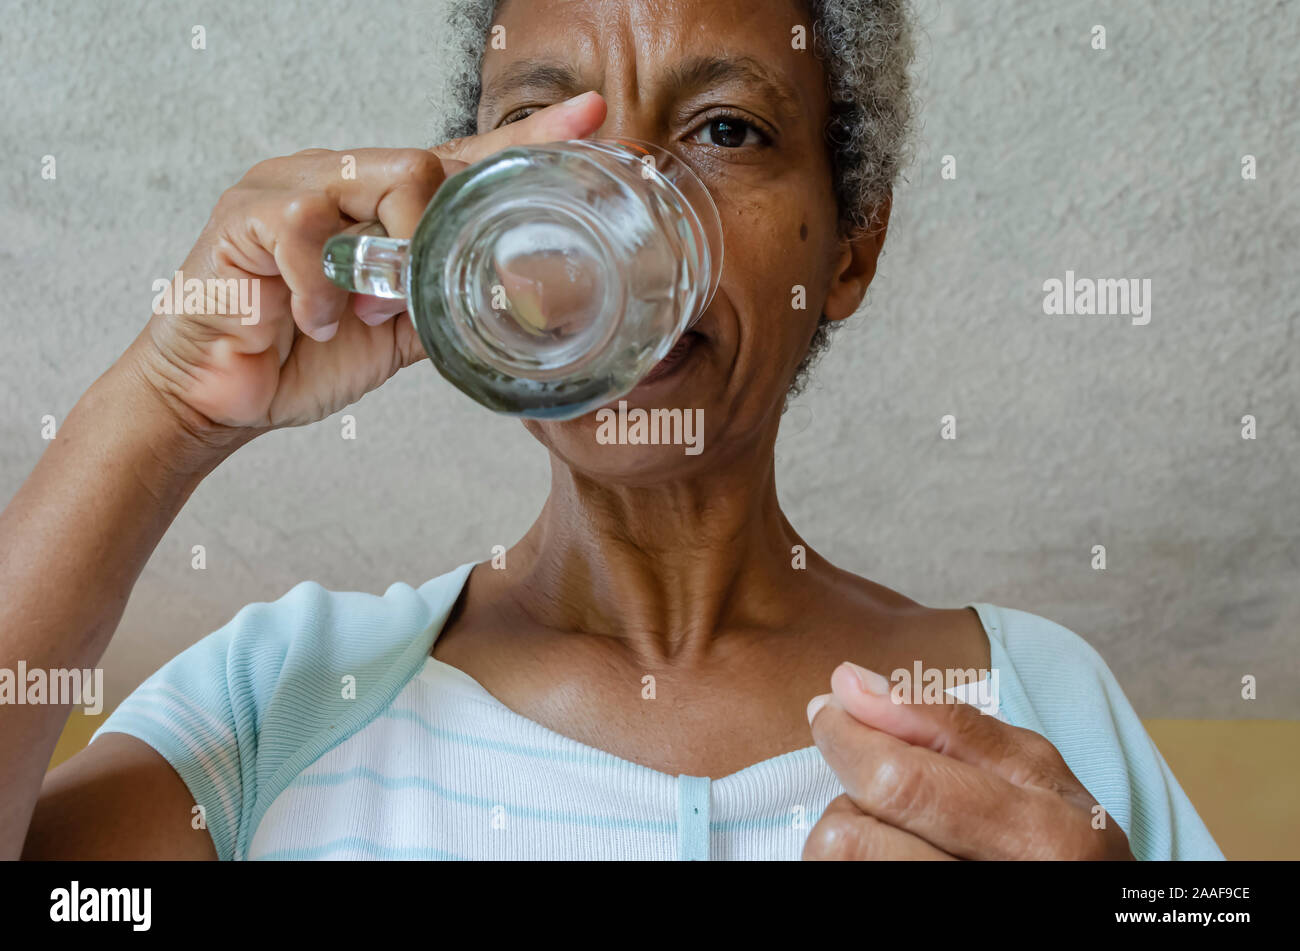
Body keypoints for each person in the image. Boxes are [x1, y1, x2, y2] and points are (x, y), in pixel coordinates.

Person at [3, 0, 1221, 860]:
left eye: (726, 132)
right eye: (555, 136)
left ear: (850, 244)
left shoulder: (1029, 699)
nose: (622, 214)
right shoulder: (283, 695)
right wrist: (160, 411)